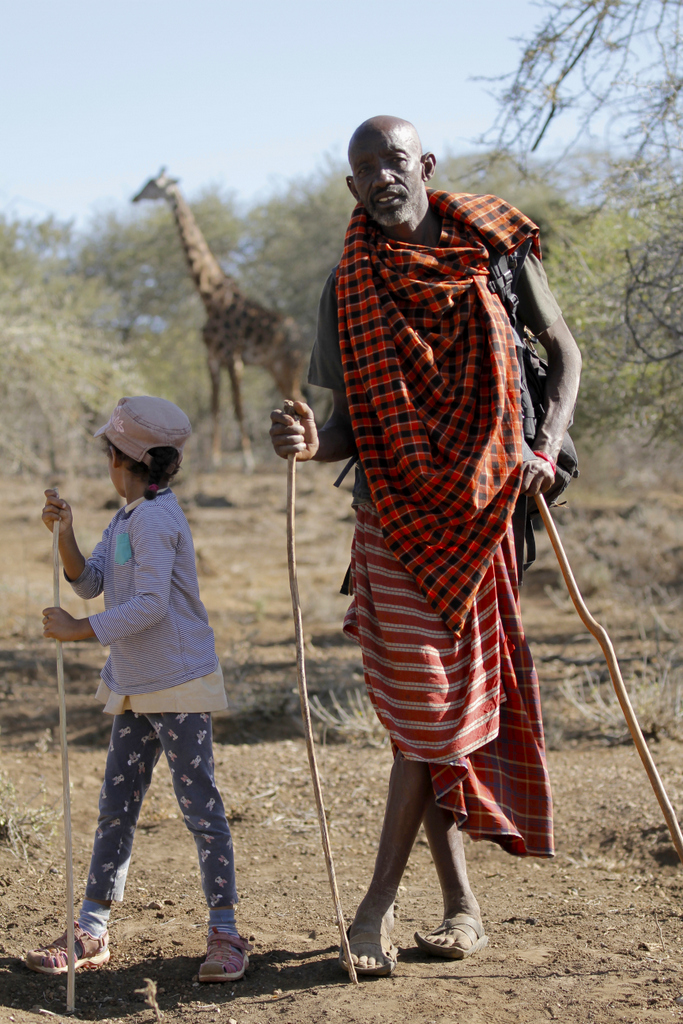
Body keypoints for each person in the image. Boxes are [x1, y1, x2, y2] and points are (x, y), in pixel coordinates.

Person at [270, 116, 582, 976]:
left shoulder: (493, 246)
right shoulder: (348, 285)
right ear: (350, 185)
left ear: (425, 165)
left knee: (433, 720)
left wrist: (545, 446)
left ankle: (446, 907)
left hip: (487, 514)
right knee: (427, 709)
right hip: (393, 520)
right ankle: (386, 910)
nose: (380, 177)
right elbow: (346, 432)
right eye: (363, 167)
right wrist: (306, 441)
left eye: (393, 161)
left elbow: (562, 351)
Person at [25, 396, 252, 983]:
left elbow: (149, 606)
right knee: (116, 809)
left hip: (178, 684)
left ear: (124, 459)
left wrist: (81, 632)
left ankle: (226, 934)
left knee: (201, 809)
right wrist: (67, 532)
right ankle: (92, 927)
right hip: (135, 685)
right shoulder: (128, 517)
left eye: (109, 452)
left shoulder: (156, 519)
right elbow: (91, 580)